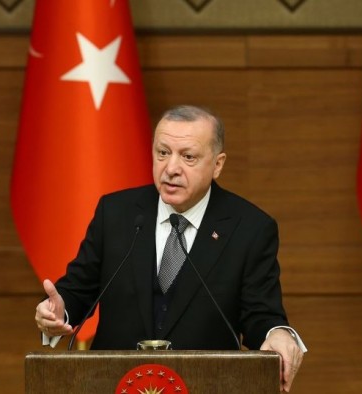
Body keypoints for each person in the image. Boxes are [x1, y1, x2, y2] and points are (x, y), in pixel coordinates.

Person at [34, 105, 306, 392]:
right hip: (114, 383)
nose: (171, 168)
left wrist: (278, 334)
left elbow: (261, 314)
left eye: (188, 157)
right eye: (162, 153)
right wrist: (58, 312)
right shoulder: (117, 213)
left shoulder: (250, 228)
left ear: (218, 164)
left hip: (208, 385)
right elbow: (79, 290)